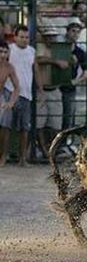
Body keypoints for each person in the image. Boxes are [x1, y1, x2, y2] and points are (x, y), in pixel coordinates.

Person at [1, 25, 42, 167]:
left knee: (25, 128)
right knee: (5, 126)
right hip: (9, 91)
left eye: (26, 37)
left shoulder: (32, 51)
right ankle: (3, 157)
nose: (24, 40)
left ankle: (22, 158)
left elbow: (35, 70)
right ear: (15, 37)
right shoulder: (10, 49)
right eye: (21, 37)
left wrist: (40, 89)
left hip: (26, 94)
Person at [35, 30, 66, 159]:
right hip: (41, 90)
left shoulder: (60, 49)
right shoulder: (38, 47)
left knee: (56, 123)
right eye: (48, 36)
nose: (50, 39)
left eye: (53, 36)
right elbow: (37, 60)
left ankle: (52, 150)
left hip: (55, 90)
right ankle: (43, 150)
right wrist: (55, 61)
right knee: (39, 123)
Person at [60, 21, 87, 130]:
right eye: (73, 31)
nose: (75, 34)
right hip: (55, 87)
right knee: (54, 119)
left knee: (68, 117)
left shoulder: (80, 52)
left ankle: (65, 143)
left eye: (78, 32)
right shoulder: (59, 48)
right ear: (67, 32)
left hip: (70, 88)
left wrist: (76, 81)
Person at [0, 40, 20, 166]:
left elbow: (17, 87)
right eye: (0, 51)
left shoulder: (9, 67)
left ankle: (3, 155)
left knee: (5, 125)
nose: (2, 55)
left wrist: (11, 102)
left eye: (5, 52)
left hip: (2, 96)